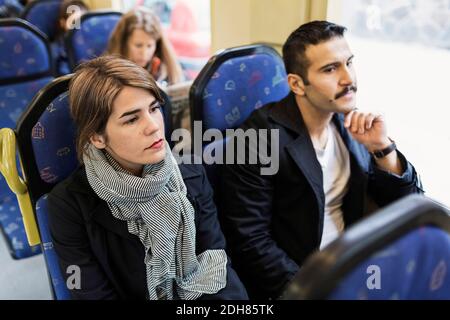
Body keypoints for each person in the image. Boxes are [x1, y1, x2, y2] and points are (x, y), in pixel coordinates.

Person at [220, 21, 424, 299]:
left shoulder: (347, 121)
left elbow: (409, 204)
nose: (348, 78)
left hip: (356, 262)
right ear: (296, 84)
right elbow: (252, 243)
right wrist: (313, 291)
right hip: (304, 280)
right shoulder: (255, 141)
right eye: (330, 69)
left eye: (349, 63)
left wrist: (381, 148)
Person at [47, 56, 248, 300]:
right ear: (97, 137)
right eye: (132, 119)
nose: (153, 126)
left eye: (154, 108)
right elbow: (90, 293)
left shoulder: (191, 172)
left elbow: (214, 259)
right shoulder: (68, 205)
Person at [107, 7, 184, 86]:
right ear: (124, 43)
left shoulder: (163, 67)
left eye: (149, 46)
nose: (144, 54)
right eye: (138, 45)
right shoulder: (109, 74)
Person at [52, 0, 89, 75]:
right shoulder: (57, 51)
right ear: (62, 23)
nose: (79, 28)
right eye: (74, 22)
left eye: (83, 23)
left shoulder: (93, 42)